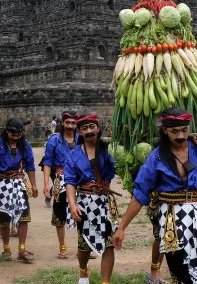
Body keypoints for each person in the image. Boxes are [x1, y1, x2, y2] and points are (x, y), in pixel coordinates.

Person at [114, 107, 197, 284]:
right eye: (174, 131)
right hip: (172, 218)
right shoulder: (156, 158)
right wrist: (122, 228)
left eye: (184, 130)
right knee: (180, 272)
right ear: (164, 130)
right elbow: (140, 194)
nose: (180, 136)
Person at [65, 114, 120, 284]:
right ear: (79, 132)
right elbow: (70, 182)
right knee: (84, 246)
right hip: (85, 203)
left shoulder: (108, 149)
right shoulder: (73, 155)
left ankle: (105, 282)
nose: (89, 131)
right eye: (84, 128)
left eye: (91, 127)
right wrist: (73, 205)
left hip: (105, 203)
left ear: (98, 129)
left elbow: (121, 162)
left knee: (109, 244)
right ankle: (83, 272)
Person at [0, 118, 39, 264]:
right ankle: (6, 249)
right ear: (7, 131)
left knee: (23, 217)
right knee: (4, 219)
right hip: (3, 184)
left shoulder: (25, 145)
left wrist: (34, 185)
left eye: (18, 133)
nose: (16, 136)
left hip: (20, 184)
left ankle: (22, 250)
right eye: (13, 133)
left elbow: (30, 166)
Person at [42, 111, 80, 260]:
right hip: (60, 179)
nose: (70, 126)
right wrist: (46, 184)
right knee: (59, 214)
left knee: (81, 212)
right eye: (68, 123)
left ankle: (82, 247)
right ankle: (62, 247)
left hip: (79, 179)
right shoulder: (54, 140)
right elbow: (47, 162)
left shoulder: (81, 138)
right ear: (62, 123)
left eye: (73, 123)